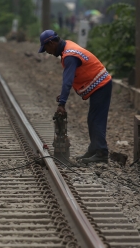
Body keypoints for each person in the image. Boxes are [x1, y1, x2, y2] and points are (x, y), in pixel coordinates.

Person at [38, 30, 112, 164]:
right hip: (100, 84)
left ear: (51, 43)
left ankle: (101, 153)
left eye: (46, 48)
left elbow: (67, 80)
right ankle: (94, 149)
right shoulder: (67, 47)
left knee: (97, 119)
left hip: (102, 85)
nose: (47, 51)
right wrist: (63, 96)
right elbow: (72, 78)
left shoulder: (69, 55)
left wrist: (62, 103)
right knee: (92, 119)